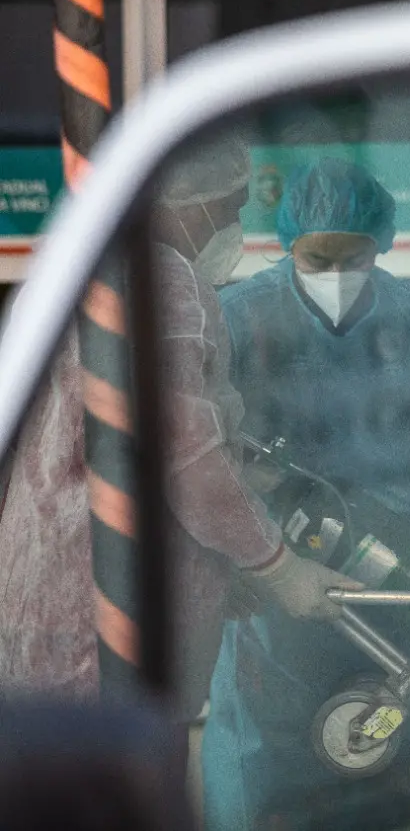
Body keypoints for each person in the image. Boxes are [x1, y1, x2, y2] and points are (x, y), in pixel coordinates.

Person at [201, 158, 410, 831]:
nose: (336, 274)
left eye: (355, 256)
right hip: (280, 593)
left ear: (382, 245)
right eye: (318, 257)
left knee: (396, 766)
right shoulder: (232, 320)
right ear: (289, 244)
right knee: (271, 783)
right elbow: (202, 462)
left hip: (406, 593)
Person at [0, 137, 356, 717]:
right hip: (111, 620)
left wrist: (229, 554)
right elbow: (186, 451)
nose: (234, 225)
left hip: (45, 598)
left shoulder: (79, 269)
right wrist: (275, 564)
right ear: (179, 201)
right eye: (229, 207)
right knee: (112, 793)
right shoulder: (160, 281)